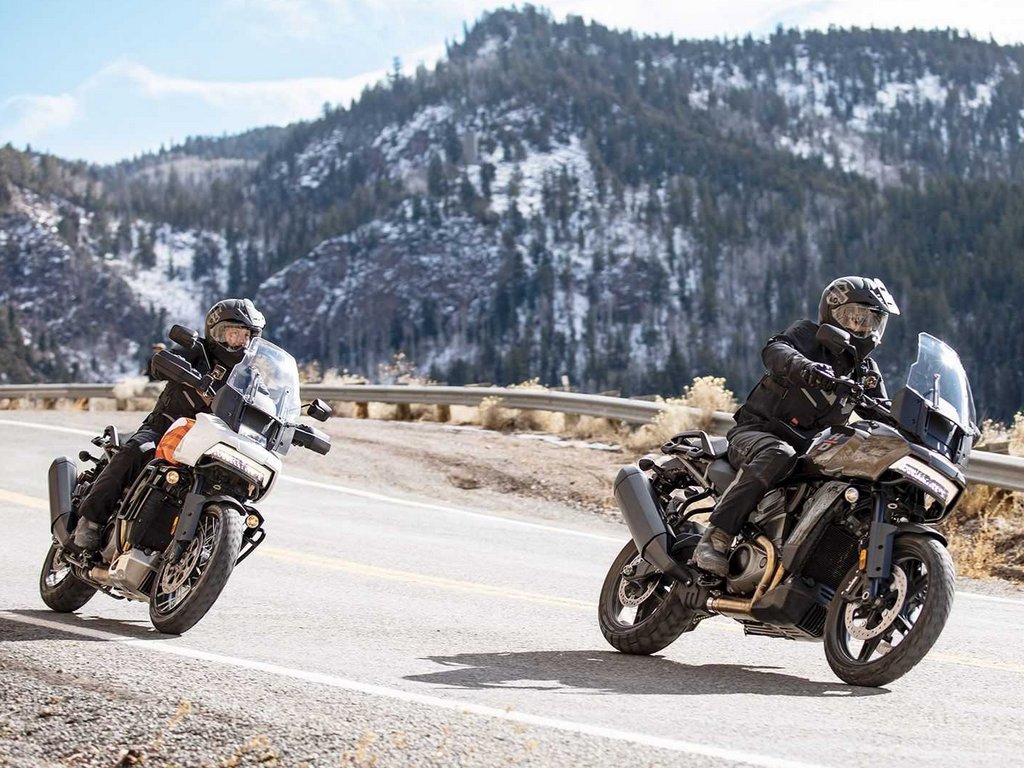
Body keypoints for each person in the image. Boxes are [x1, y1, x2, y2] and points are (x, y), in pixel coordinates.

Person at [693, 276, 901, 577]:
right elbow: (776, 350)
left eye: (871, 322)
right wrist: (807, 368)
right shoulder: (807, 335)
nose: (861, 328)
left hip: (810, 451)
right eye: (855, 318)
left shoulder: (865, 371)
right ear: (835, 313)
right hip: (758, 433)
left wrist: (915, 424)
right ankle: (716, 537)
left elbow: (883, 411)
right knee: (778, 453)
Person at [72, 298, 266, 552]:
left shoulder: (249, 378)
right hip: (164, 429)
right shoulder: (198, 352)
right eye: (234, 334)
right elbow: (162, 361)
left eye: (246, 337)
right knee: (136, 452)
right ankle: (91, 521)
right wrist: (186, 374)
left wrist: (293, 426)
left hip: (208, 445)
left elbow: (265, 404)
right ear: (217, 331)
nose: (240, 342)